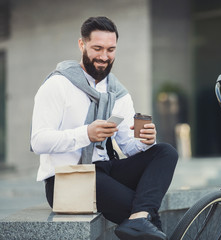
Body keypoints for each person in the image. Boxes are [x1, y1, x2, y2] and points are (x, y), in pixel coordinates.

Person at [31, 16, 178, 240]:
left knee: (166, 152)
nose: (104, 56)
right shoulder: (58, 85)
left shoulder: (118, 94)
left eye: (110, 49)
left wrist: (145, 141)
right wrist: (86, 134)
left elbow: (129, 147)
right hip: (66, 178)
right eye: (97, 48)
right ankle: (141, 217)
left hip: (107, 170)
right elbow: (38, 141)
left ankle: (140, 217)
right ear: (82, 45)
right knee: (143, 212)